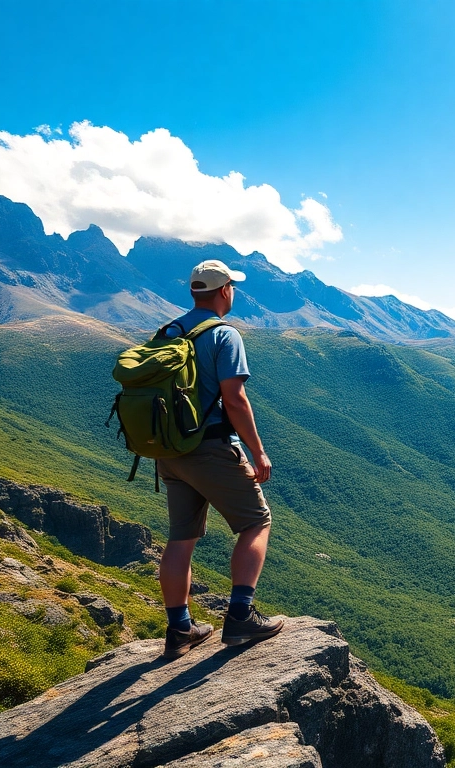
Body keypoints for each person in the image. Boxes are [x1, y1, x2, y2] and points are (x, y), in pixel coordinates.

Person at [155, 259, 284, 659]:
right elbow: (234, 398)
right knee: (256, 522)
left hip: (168, 451)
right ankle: (241, 617)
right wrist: (257, 450)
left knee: (181, 538)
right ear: (225, 289)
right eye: (233, 287)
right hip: (210, 447)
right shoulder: (224, 335)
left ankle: (180, 629)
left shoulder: (168, 332)